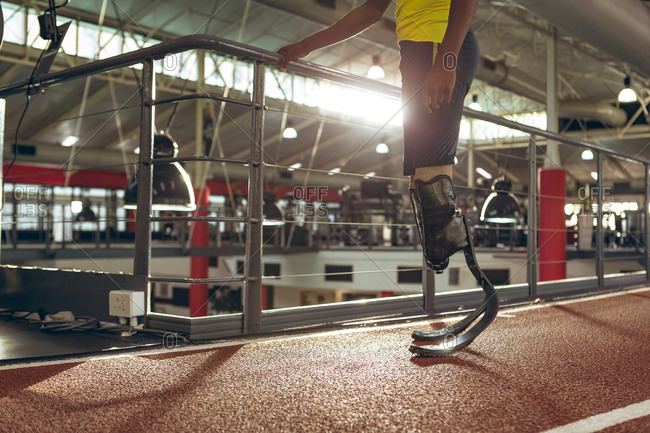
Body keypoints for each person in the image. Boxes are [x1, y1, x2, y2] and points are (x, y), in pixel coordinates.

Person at [278, 0, 480, 273]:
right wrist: (305, 46)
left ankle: (461, 256)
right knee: (418, 178)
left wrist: (447, 59)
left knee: (430, 175)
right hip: (417, 53)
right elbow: (371, 10)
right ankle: (448, 252)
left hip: (438, 45)